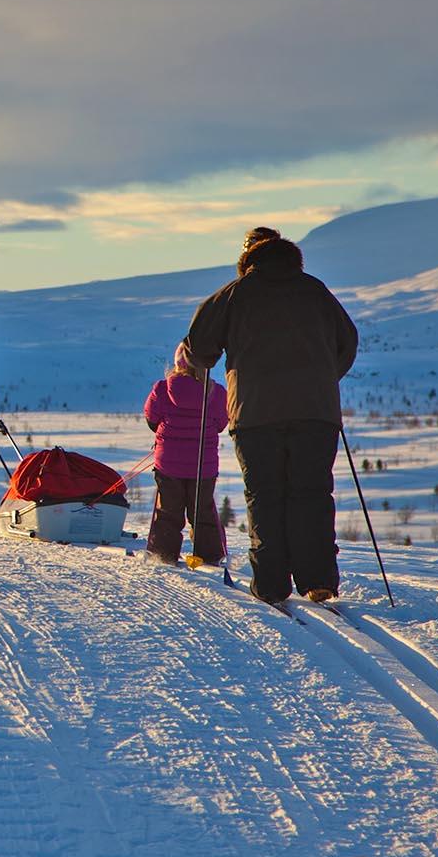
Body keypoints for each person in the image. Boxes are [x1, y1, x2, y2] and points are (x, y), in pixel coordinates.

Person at [184, 226, 358, 605]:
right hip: (316, 413)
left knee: (264, 496)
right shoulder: (315, 290)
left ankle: (271, 585)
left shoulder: (235, 294)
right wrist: (321, 378)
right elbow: (347, 343)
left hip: (255, 413)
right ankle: (317, 580)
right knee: (312, 493)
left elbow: (198, 348)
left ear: (248, 259)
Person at [143, 342, 228, 565]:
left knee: (168, 511)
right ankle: (211, 557)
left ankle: (163, 555)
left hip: (168, 464)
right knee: (204, 511)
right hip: (204, 465)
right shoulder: (217, 392)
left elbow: (152, 419)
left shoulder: (162, 389)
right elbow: (221, 423)